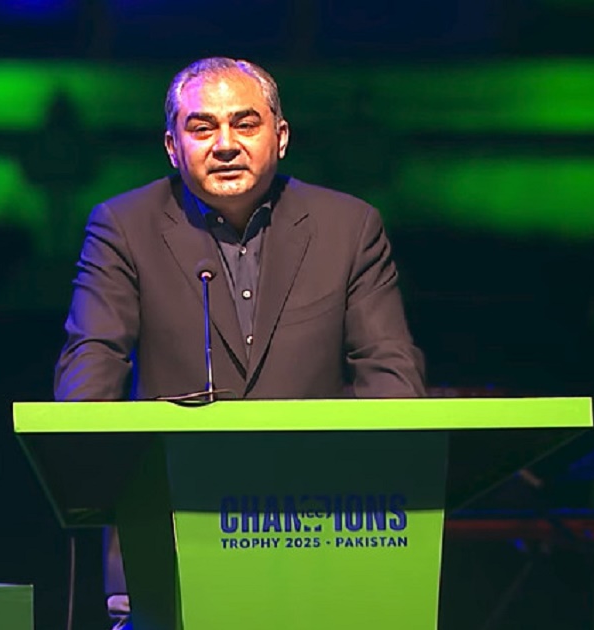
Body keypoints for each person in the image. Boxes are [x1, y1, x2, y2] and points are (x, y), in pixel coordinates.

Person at [52, 56, 426, 630]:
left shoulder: (349, 227)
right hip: (170, 551)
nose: (225, 144)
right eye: (202, 127)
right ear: (173, 147)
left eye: (244, 124)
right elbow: (91, 369)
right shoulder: (122, 227)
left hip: (319, 543)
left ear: (281, 137)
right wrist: (83, 453)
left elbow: (393, 381)